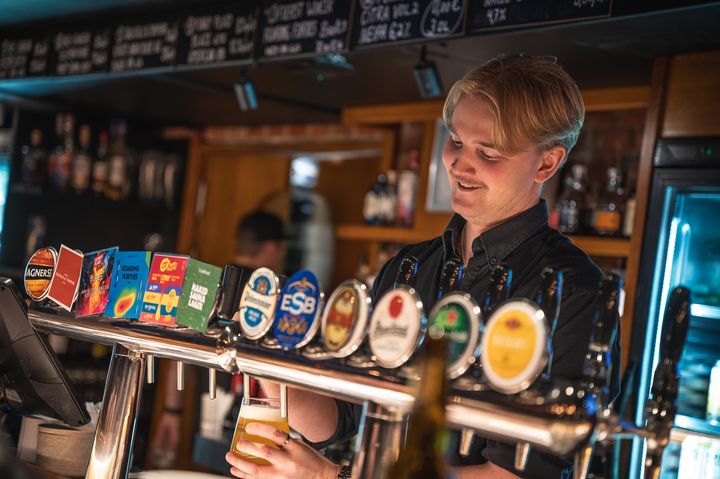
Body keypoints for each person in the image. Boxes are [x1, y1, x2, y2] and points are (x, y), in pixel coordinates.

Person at [225, 54, 621, 479]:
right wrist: (269, 365)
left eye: (487, 152)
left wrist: (328, 477)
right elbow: (342, 417)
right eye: (455, 141)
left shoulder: (574, 293)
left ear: (547, 163)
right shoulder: (410, 266)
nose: (459, 164)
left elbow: (513, 475)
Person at [150, 210, 287, 470]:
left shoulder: (207, 287)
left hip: (207, 429)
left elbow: (181, 356)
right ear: (272, 248)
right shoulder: (273, 297)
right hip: (260, 435)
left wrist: (172, 413)